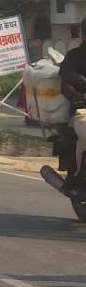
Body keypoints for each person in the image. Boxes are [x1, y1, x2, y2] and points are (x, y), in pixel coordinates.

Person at [59, 19, 86, 195]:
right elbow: (65, 83)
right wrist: (80, 95)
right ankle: (75, 176)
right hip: (82, 109)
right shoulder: (74, 56)